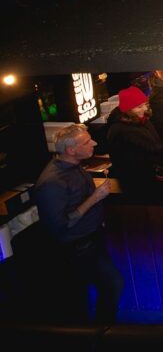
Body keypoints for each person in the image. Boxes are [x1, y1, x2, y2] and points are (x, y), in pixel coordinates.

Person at [33, 123, 124, 325]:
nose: (94, 142)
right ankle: (99, 335)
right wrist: (96, 198)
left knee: (108, 286)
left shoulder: (73, 166)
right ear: (71, 150)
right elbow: (59, 225)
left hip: (91, 240)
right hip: (78, 248)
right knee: (106, 287)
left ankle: (100, 333)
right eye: (87, 141)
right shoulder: (52, 182)